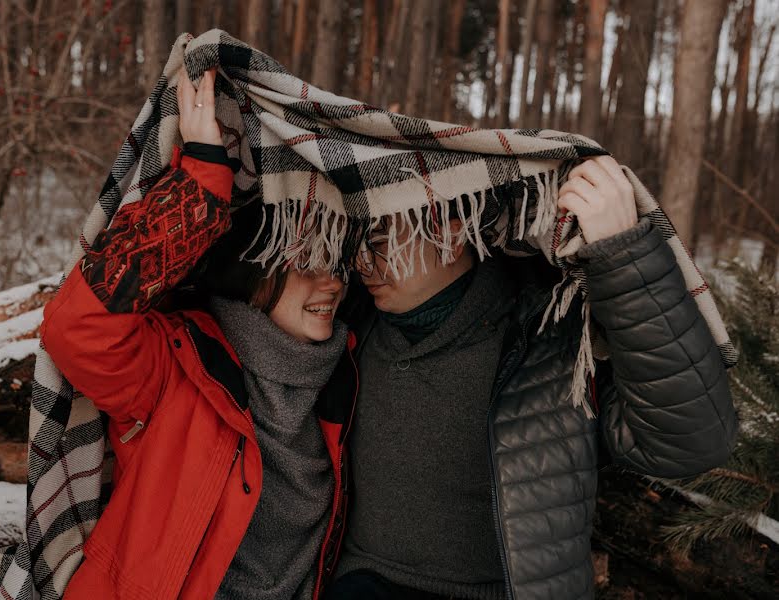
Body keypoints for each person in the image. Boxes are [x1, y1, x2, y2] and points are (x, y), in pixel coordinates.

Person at [327, 157, 739, 599]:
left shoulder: (552, 336)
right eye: (355, 243)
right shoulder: (347, 325)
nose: (361, 262)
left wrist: (625, 257)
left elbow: (691, 443)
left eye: (379, 238)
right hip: (354, 586)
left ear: (447, 228)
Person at [41, 67, 356, 600]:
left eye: (337, 263)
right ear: (255, 271)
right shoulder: (178, 366)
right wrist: (203, 179)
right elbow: (77, 329)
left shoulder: (348, 370)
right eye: (306, 262)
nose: (332, 283)